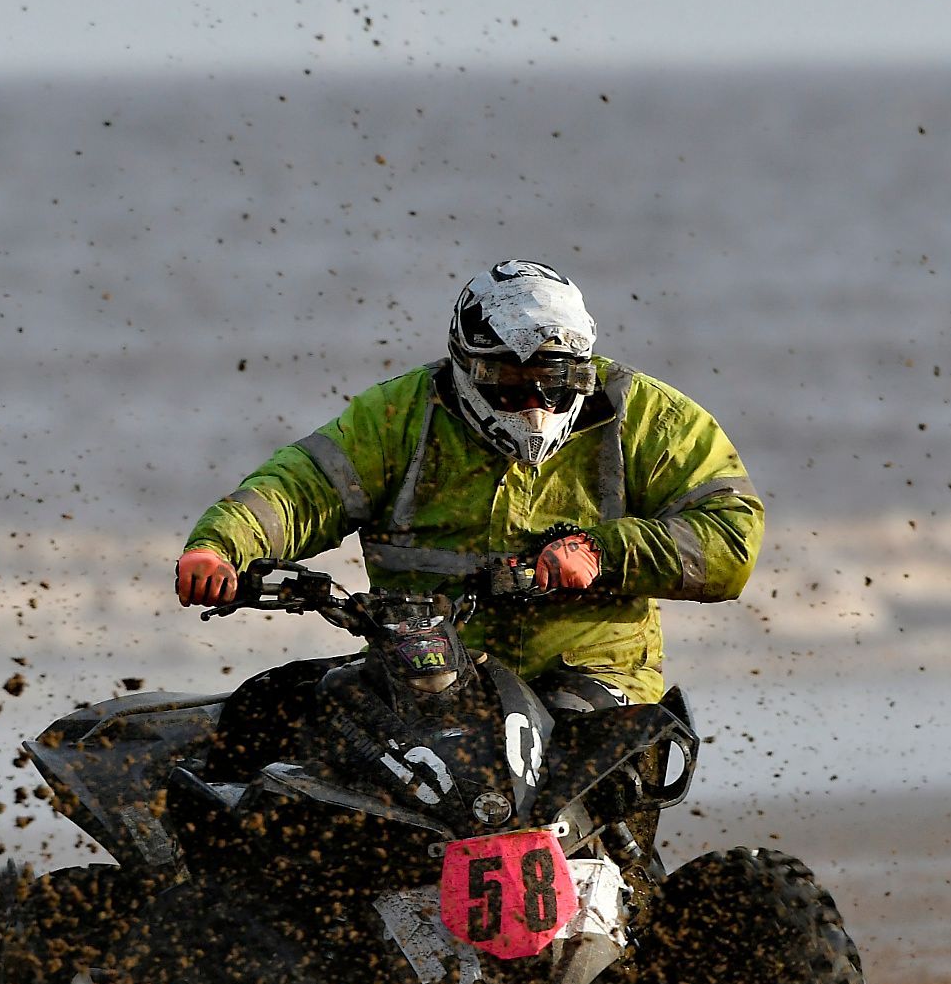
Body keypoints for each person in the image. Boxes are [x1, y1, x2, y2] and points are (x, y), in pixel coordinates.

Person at [176, 258, 764, 722]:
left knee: (569, 767)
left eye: (555, 384)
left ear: (581, 371)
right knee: (269, 718)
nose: (534, 404)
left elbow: (730, 537)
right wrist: (220, 547)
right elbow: (299, 488)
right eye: (511, 385)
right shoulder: (397, 417)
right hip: (421, 671)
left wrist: (602, 552)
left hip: (593, 673)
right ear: (467, 367)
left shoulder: (648, 417)